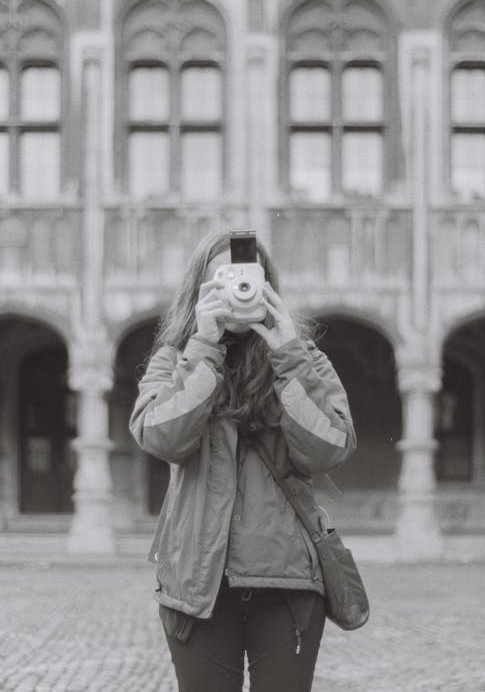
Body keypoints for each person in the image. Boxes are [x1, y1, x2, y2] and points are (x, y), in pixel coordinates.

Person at [129, 230, 357, 692]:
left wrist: (288, 356)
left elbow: (331, 446)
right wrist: (205, 348)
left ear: (268, 287)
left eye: (247, 280)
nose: (237, 292)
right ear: (199, 292)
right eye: (222, 281)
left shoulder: (302, 359)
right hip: (197, 588)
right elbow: (161, 437)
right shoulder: (175, 360)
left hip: (288, 585)